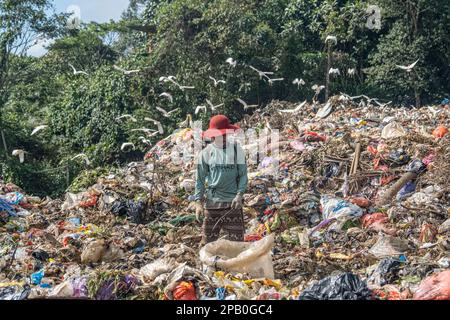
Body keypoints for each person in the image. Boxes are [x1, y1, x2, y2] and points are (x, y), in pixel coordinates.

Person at [194, 115, 248, 244]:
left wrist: (239, 195)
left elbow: (243, 175)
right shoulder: (206, 153)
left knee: (237, 244)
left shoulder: (236, 150)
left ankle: (235, 265)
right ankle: (208, 265)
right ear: (212, 136)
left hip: (233, 204)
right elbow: (200, 180)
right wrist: (198, 202)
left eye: (224, 135)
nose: (222, 138)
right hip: (212, 203)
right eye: (219, 135)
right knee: (208, 243)